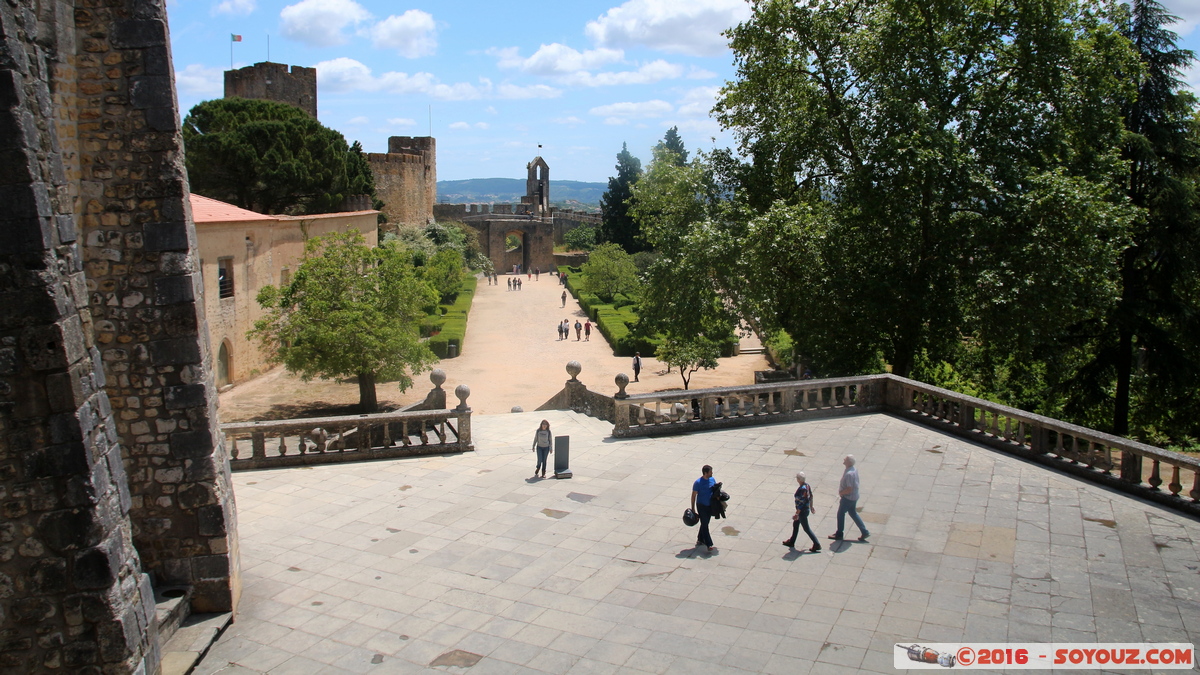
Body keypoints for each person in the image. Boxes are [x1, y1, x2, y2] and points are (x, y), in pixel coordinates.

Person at [830, 455, 869, 541]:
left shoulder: (849, 474)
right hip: (854, 496)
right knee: (853, 513)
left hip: (848, 498)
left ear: (849, 462)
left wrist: (841, 493)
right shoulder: (853, 470)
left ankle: (839, 533)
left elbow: (849, 489)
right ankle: (864, 531)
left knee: (840, 514)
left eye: (846, 459)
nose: (844, 459)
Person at [783, 472, 821, 552]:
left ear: (799, 480)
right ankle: (792, 541)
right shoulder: (807, 486)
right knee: (796, 524)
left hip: (802, 512)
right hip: (805, 509)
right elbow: (810, 496)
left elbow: (801, 503)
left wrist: (797, 514)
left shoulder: (802, 489)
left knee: (806, 528)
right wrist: (811, 506)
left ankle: (816, 543)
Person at [691, 465, 716, 552]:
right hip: (701, 506)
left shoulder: (712, 480)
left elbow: (715, 491)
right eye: (710, 472)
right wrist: (693, 508)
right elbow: (693, 496)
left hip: (710, 505)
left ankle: (700, 539)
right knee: (705, 524)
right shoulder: (698, 483)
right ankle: (709, 544)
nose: (712, 473)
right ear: (705, 473)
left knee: (705, 523)